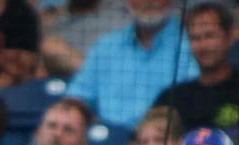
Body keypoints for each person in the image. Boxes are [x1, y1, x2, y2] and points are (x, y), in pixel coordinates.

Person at [66, 0, 197, 127]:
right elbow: (77, 97)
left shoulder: (192, 46)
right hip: (109, 140)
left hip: (164, 142)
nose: (148, 1)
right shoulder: (106, 45)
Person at [155, 2, 239, 133]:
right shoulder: (172, 98)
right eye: (195, 38)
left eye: (209, 36)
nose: (203, 46)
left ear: (229, 38)